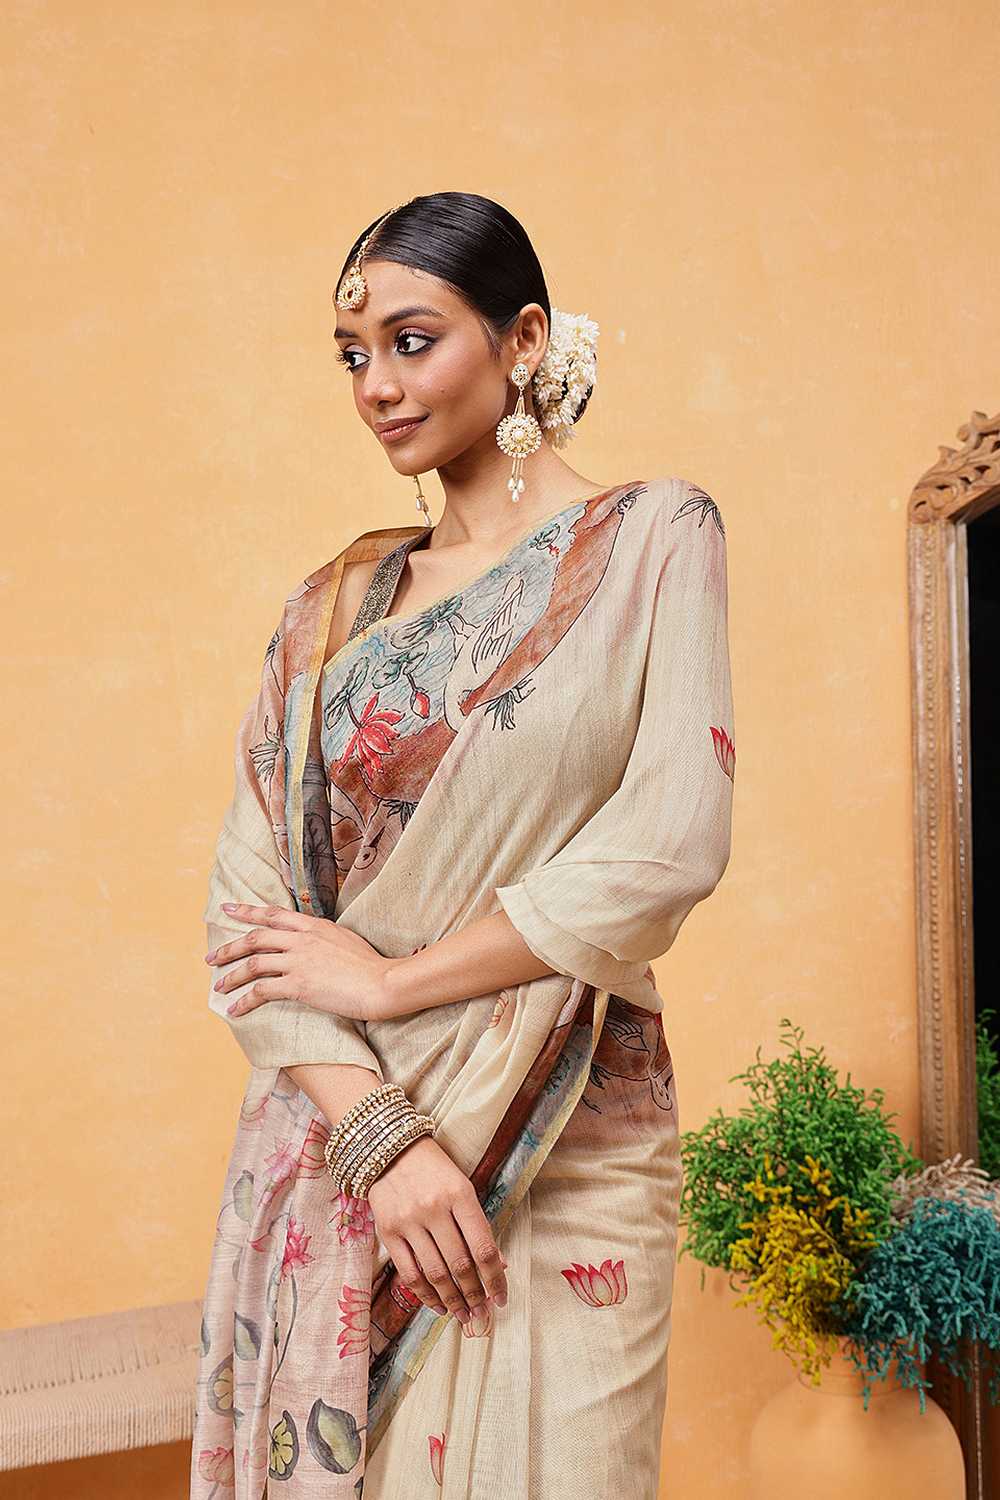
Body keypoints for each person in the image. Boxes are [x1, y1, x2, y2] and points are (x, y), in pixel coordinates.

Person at [190, 190, 736, 1499]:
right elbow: (245, 916)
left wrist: (389, 982)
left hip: (569, 1143)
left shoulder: (655, 539)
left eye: (413, 340)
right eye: (353, 354)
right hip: (343, 1144)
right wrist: (381, 1139)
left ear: (523, 338)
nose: (376, 385)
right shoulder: (328, 614)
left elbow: (672, 838)